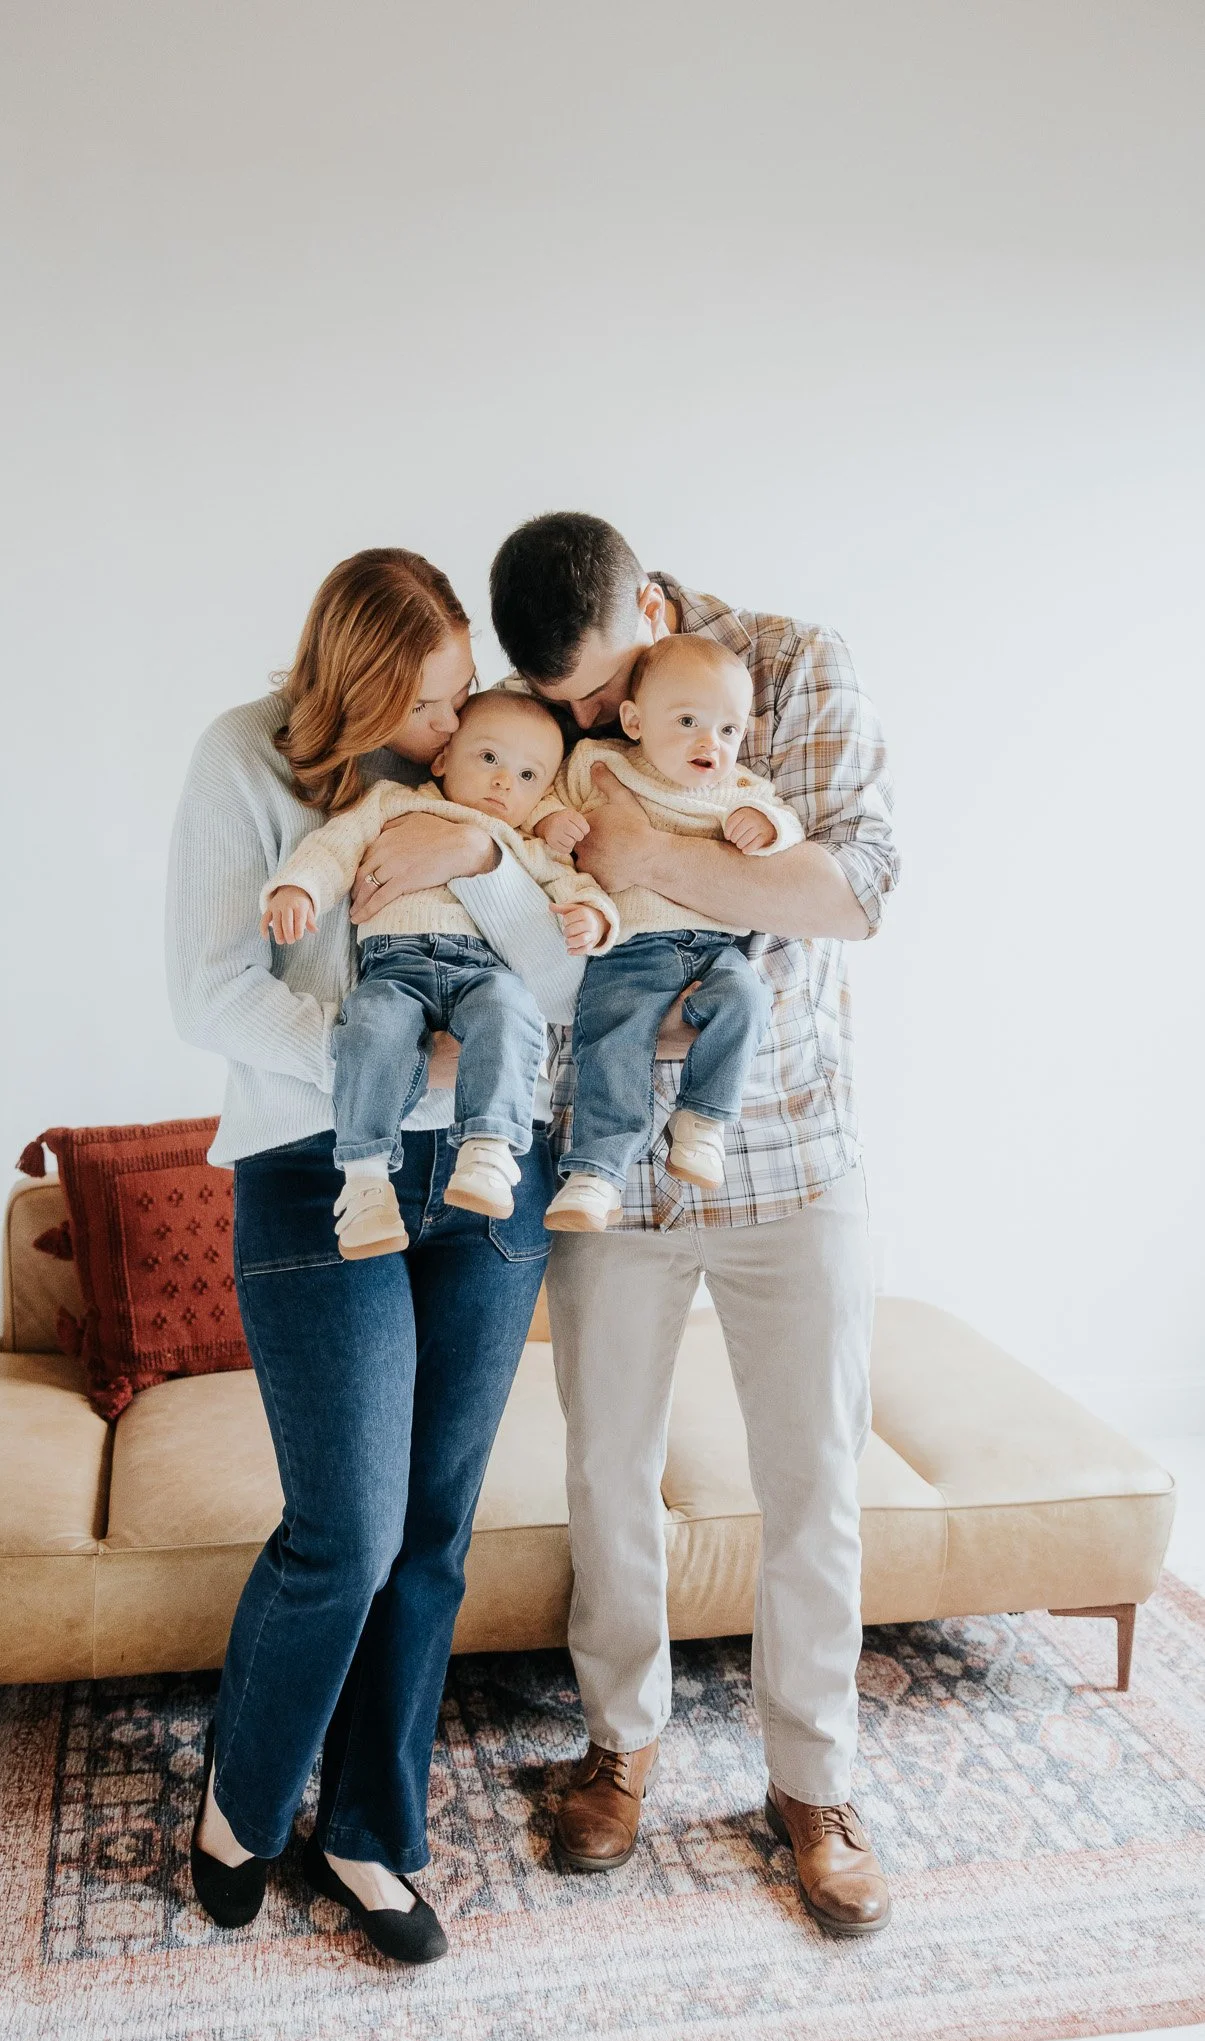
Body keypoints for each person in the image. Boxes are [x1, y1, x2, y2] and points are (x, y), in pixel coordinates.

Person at [489, 511, 900, 1936]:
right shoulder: (546, 718)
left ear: (656, 606)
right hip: (609, 1158)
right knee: (606, 1465)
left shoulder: (794, 668)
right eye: (571, 709)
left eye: (608, 694)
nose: (597, 724)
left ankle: (815, 1782)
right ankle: (619, 1746)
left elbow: (851, 891)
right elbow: (530, 906)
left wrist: (648, 868)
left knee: (812, 1480)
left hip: (794, 1152)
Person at [164, 548, 575, 1964]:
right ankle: (244, 1801)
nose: (451, 730)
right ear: (349, 688)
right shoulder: (244, 761)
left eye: (462, 694)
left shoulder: (494, 783)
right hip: (312, 1167)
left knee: (433, 1534)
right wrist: (391, 1082)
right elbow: (209, 985)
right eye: (423, 705)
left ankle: (368, 1831)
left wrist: (484, 852)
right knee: (344, 1533)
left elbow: (573, 977)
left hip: (487, 1174)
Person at [259, 689, 614, 1256]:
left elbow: (576, 889)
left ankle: (490, 1149)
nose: (504, 784)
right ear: (444, 758)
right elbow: (334, 846)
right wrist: (299, 887)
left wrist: (593, 917)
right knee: (371, 1026)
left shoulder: (523, 844)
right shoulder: (392, 802)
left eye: (527, 775)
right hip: (394, 968)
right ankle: (366, 1181)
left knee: (510, 1010)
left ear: (542, 793)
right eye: (489, 759)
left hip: (481, 972)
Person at [528, 635, 801, 1229]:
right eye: (688, 722)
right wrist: (552, 821)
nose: (712, 743)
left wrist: (766, 825)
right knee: (611, 1041)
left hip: (715, 950)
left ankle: (702, 1121)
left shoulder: (737, 791)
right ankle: (596, 1172)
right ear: (634, 720)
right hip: (628, 946)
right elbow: (542, 799)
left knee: (747, 1000)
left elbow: (787, 820)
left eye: (729, 731)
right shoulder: (600, 764)